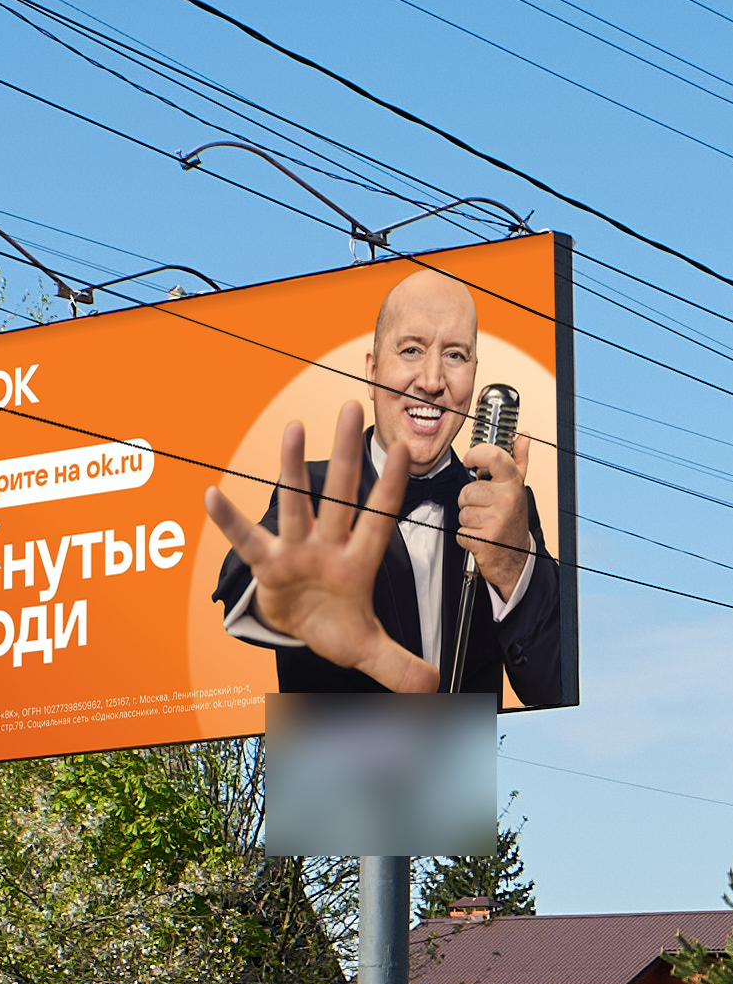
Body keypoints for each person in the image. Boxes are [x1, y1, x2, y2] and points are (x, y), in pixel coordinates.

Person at [203, 266, 566, 704]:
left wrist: (513, 565)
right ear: (372, 371)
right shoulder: (315, 490)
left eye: (455, 355)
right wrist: (284, 594)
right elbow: (244, 580)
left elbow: (555, 687)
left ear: (474, 375)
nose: (432, 382)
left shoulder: (506, 509)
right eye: (411, 350)